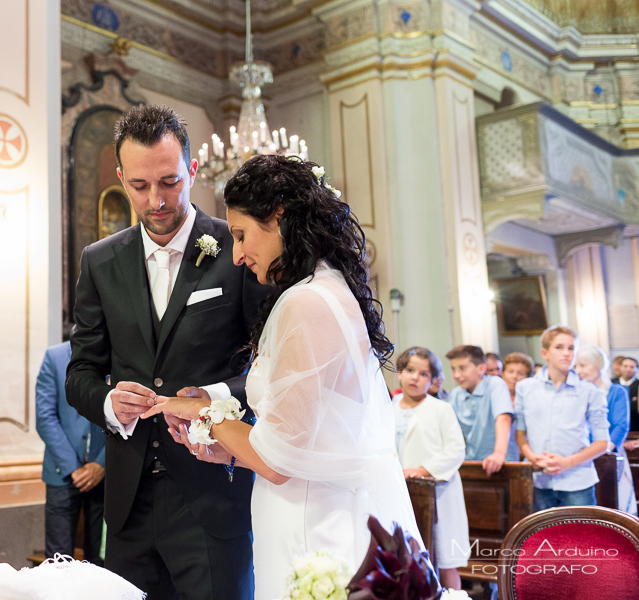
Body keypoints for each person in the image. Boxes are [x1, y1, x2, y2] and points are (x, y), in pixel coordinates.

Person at [141, 154, 421, 600]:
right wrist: (228, 452)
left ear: (279, 217)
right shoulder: (323, 288)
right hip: (312, 503)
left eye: (241, 235)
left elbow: (278, 462)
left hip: (316, 525)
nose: (235, 255)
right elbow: (304, 440)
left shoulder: (304, 303)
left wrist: (202, 412)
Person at [65, 105, 267, 600]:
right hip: (129, 502)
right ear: (121, 177)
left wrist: (209, 398)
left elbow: (270, 365)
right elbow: (81, 373)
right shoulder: (100, 262)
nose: (155, 200)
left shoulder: (237, 249)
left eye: (169, 182)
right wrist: (110, 403)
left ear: (192, 171)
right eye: (138, 185)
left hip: (214, 491)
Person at [392, 347, 469, 590]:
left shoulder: (440, 409)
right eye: (410, 371)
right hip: (400, 490)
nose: (415, 377)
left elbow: (456, 449)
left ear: (433, 380)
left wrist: (424, 469)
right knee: (405, 557)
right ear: (400, 374)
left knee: (444, 558)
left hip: (437, 492)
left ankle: (453, 596)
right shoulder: (388, 407)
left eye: (423, 374)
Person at [515, 326, 609, 511]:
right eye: (559, 347)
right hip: (537, 478)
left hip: (577, 479)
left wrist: (568, 462)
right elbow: (520, 434)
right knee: (541, 538)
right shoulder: (525, 388)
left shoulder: (590, 391)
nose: (567, 353)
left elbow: (602, 442)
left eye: (571, 348)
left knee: (579, 538)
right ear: (545, 353)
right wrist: (532, 458)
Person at [36, 334, 105, 565]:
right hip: (62, 472)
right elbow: (45, 417)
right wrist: (72, 467)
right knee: (58, 559)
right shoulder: (54, 357)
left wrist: (102, 464)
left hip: (107, 473)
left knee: (102, 559)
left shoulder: (120, 355)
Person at [575, 345, 637, 515]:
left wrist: (603, 450)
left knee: (613, 503)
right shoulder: (574, 393)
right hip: (579, 455)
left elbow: (621, 426)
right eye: (576, 366)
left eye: (583, 365)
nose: (578, 370)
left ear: (599, 365)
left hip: (608, 455)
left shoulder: (616, 391)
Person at [446, 345, 519, 474]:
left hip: (501, 462)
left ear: (481, 368)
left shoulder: (495, 384)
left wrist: (499, 454)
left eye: (462, 368)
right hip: (470, 462)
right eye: (453, 369)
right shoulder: (455, 394)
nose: (456, 375)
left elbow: (504, 419)